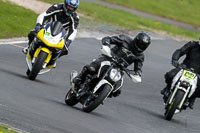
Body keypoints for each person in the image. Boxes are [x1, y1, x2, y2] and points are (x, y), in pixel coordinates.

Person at [73, 31, 151, 97]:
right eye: (140, 43)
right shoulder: (124, 39)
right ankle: (79, 78)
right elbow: (108, 39)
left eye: (143, 46)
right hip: (107, 59)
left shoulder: (140, 56)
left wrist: (138, 73)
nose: (140, 46)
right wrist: (107, 44)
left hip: (119, 70)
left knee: (117, 91)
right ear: (136, 40)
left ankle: (100, 95)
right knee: (91, 68)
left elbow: (138, 68)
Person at [22, 0, 79, 67]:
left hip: (61, 34)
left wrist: (68, 41)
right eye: (69, 6)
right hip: (48, 27)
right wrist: (38, 25)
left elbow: (73, 31)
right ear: (65, 5)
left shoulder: (75, 17)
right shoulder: (56, 7)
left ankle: (54, 59)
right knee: (32, 33)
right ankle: (29, 47)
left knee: (65, 50)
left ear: (75, 8)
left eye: (72, 8)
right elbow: (44, 15)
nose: (70, 9)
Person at [161, 40, 200, 109]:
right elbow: (180, 51)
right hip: (184, 68)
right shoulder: (193, 44)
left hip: (198, 74)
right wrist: (175, 59)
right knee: (170, 75)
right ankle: (168, 88)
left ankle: (192, 98)